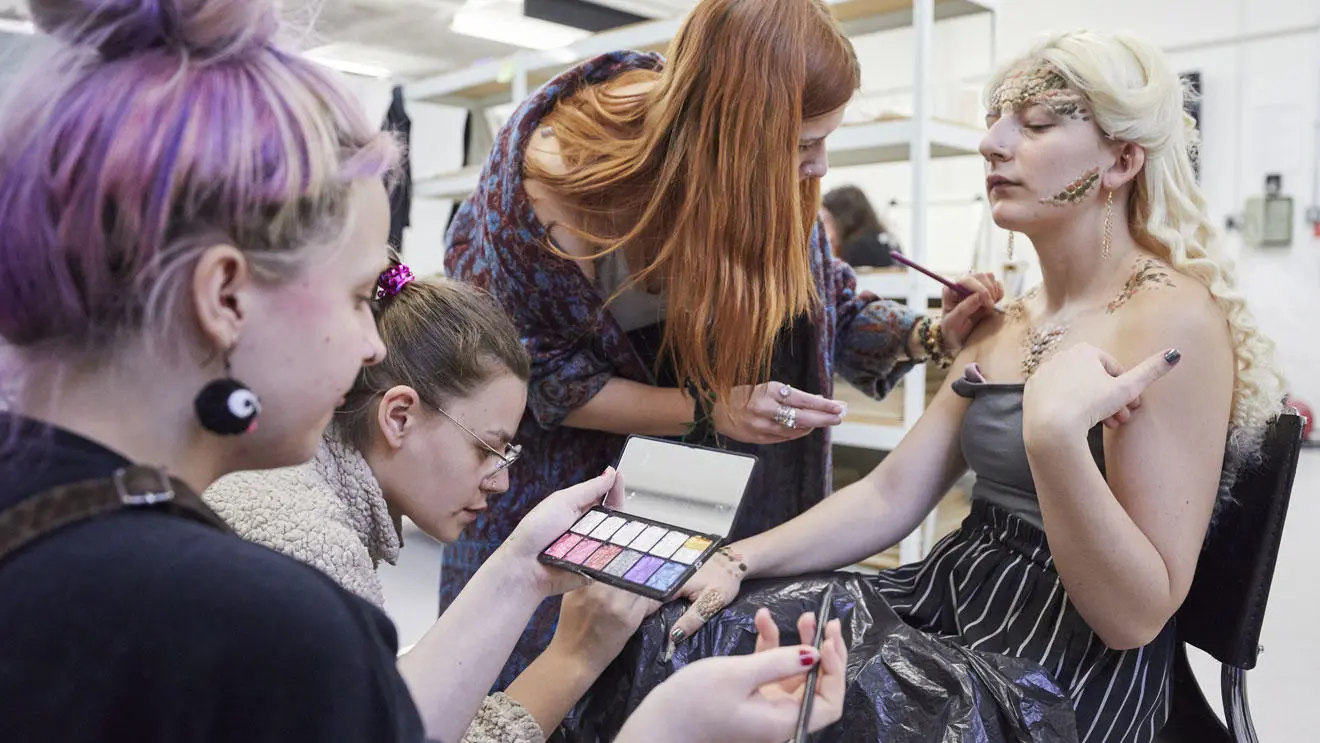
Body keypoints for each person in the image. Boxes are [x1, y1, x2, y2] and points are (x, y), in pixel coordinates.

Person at [0, 1, 851, 741]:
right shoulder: (280, 617)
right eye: (359, 295)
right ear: (224, 294)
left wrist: (518, 567)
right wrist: (665, 728)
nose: (375, 343)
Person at [570, 30, 1286, 743]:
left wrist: (1054, 437)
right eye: (995, 122)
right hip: (952, 599)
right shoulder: (1015, 317)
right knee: (688, 630)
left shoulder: (1170, 321)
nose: (993, 144)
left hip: (1062, 670)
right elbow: (892, 493)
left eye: (1034, 125)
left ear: (1122, 160)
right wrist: (733, 558)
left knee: (813, 706)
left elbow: (1134, 617)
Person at [442, 0, 1002, 688]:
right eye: (802, 146)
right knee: (543, 688)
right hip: (567, 485)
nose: (817, 167)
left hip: (693, 499)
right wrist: (709, 409)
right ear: (735, 131)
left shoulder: (760, 185)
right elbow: (546, 377)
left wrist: (930, 333)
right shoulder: (555, 185)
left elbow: (828, 305)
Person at [203, 268, 658, 741]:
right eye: (486, 448)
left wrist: (527, 576)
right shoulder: (311, 550)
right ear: (399, 416)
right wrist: (573, 654)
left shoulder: (289, 489)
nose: (500, 481)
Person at [821, 184, 902, 268]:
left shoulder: (858, 249)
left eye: (827, 220)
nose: (824, 228)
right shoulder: (885, 239)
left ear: (843, 220)